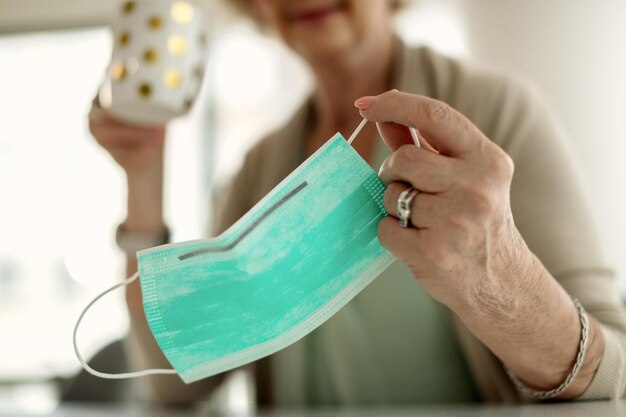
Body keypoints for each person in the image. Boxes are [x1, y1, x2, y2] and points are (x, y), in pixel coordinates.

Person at [88, 0, 626, 406]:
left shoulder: (497, 112)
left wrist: (504, 284)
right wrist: (143, 175)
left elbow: (612, 375)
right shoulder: (260, 165)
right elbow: (176, 382)